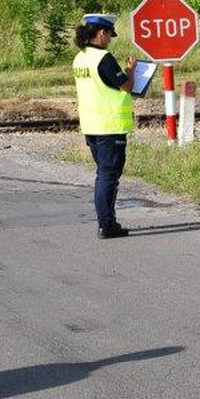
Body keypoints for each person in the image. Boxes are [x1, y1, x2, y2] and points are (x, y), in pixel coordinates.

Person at [73, 14, 137, 239]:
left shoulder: (80, 58)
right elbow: (126, 86)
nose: (110, 39)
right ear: (102, 33)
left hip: (91, 126)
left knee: (104, 175)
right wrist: (131, 69)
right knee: (108, 177)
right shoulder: (104, 58)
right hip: (110, 127)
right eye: (109, 34)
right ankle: (107, 225)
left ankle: (107, 222)